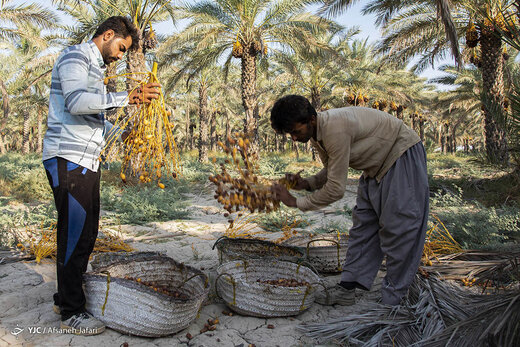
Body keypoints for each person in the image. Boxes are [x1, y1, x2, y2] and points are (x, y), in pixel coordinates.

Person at [42, 16, 160, 335]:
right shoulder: (75, 56)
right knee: (75, 232)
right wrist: (128, 97)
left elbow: (91, 114)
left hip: (86, 159)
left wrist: (119, 132)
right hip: (67, 157)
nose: (121, 56)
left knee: (88, 231)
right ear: (108, 35)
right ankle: (71, 312)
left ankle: (66, 296)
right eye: (121, 48)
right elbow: (76, 102)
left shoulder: (94, 67)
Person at [270, 95, 429, 306]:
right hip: (374, 168)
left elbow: (336, 189)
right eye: (290, 134)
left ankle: (395, 300)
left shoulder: (335, 129)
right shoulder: (318, 134)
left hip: (400, 155)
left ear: (311, 120)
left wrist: (296, 203)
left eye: (296, 132)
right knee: (363, 228)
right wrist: (306, 184)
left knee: (399, 229)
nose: (294, 138)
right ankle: (348, 288)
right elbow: (332, 169)